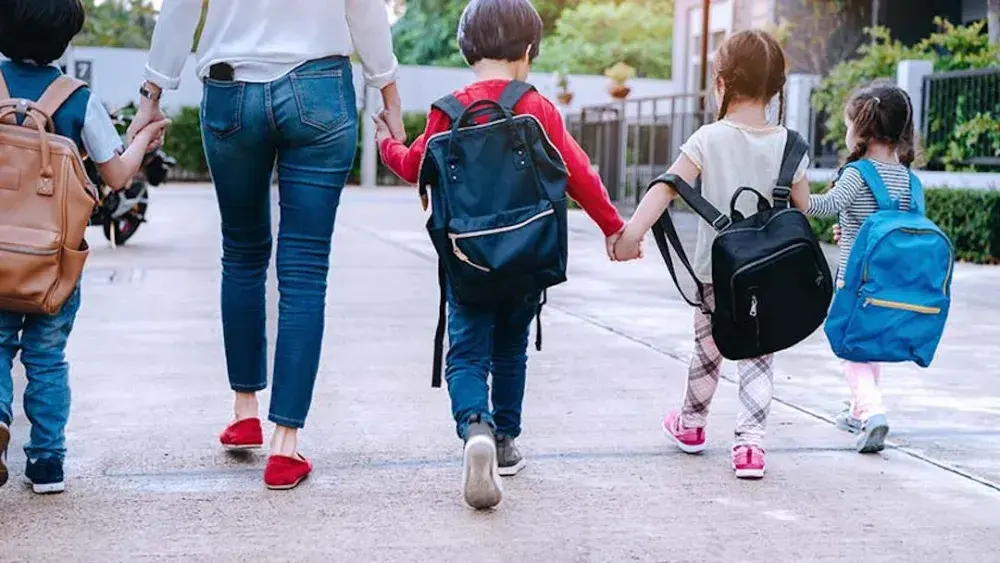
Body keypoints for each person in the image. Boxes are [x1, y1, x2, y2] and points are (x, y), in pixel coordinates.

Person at [128, 0, 405, 490]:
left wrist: (152, 94)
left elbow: (179, 10)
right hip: (320, 89)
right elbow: (363, 9)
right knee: (304, 269)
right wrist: (388, 92)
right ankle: (285, 445)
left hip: (231, 89)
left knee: (241, 253)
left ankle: (244, 412)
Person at [374, 0, 626, 507]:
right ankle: (506, 442)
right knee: (511, 348)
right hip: (528, 257)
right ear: (528, 51)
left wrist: (386, 142)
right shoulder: (537, 107)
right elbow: (580, 175)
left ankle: (476, 428)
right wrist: (615, 229)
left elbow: (411, 166)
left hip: (467, 261)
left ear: (468, 50)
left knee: (466, 352)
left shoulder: (448, 111)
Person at [613, 30, 809, 479]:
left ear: (720, 83)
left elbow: (667, 185)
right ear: (777, 89)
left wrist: (631, 235)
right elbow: (802, 208)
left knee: (708, 350)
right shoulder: (790, 145)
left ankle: (692, 425)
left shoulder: (707, 138)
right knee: (760, 352)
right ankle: (750, 448)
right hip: (771, 274)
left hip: (716, 274)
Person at [0, 0, 169, 494]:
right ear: (65, 40)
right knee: (47, 358)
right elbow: (116, 175)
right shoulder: (77, 99)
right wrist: (144, 139)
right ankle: (47, 462)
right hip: (53, 262)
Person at [790, 82, 919, 453]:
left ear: (862, 128)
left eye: (848, 124)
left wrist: (797, 193)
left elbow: (825, 205)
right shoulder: (907, 177)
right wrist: (848, 228)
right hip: (889, 279)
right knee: (870, 345)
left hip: (854, 279)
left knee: (849, 348)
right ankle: (859, 410)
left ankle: (874, 410)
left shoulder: (858, 172)